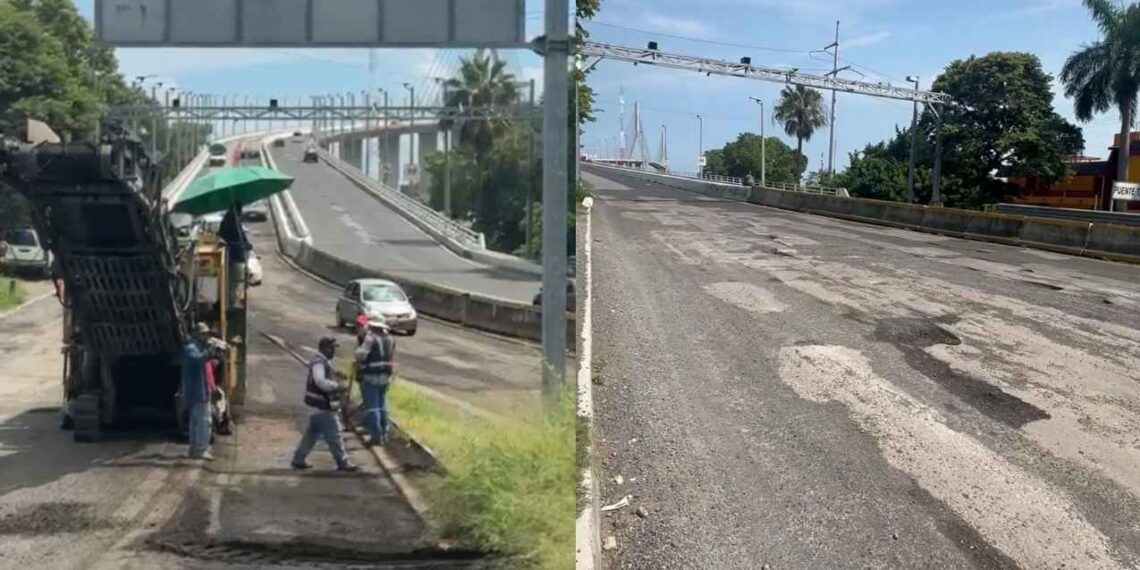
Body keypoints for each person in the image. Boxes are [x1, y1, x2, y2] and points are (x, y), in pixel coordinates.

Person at [291, 336, 360, 472]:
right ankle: (343, 462)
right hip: (321, 406)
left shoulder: (322, 362)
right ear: (325, 348)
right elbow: (320, 381)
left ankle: (298, 459)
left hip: (315, 405)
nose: (334, 351)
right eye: (333, 348)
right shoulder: (319, 363)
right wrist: (336, 386)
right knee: (335, 435)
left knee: (312, 434)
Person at [354, 316, 396, 447]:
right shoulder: (390, 339)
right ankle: (384, 432)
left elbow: (360, 355)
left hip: (371, 375)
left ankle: (376, 435)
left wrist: (357, 350)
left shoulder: (371, 338)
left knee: (372, 407)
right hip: (386, 376)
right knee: (382, 405)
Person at [183, 322, 216, 460]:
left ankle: (195, 449)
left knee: (197, 420)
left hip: (202, 389)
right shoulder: (191, 348)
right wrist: (210, 350)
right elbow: (199, 359)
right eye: (203, 334)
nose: (205, 336)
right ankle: (200, 450)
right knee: (203, 421)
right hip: (197, 390)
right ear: (196, 333)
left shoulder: (198, 347)